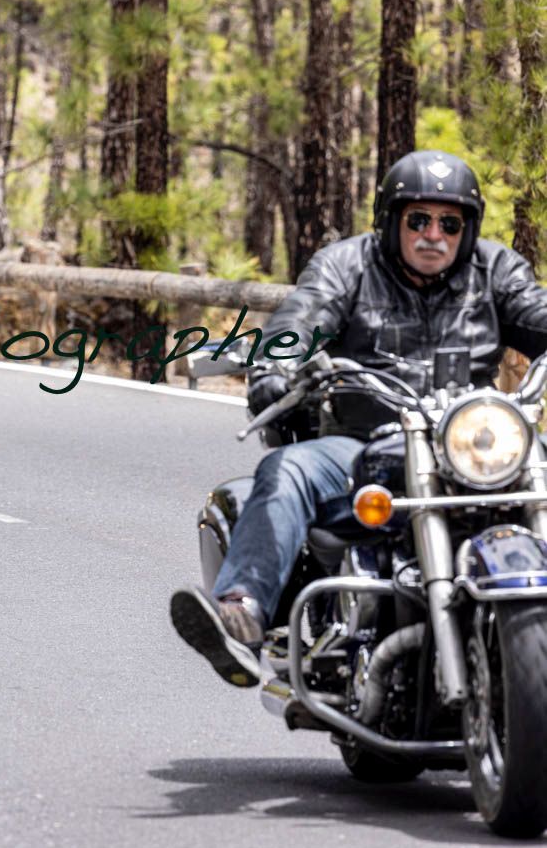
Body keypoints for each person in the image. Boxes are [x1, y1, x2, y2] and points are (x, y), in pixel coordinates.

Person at [170, 150, 547, 686]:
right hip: (361, 444)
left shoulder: (495, 271)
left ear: (468, 228)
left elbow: (536, 312)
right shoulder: (346, 266)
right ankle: (243, 609)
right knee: (288, 471)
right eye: (418, 219)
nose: (433, 235)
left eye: (449, 222)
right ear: (392, 221)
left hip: (469, 446)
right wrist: (277, 363)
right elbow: (302, 317)